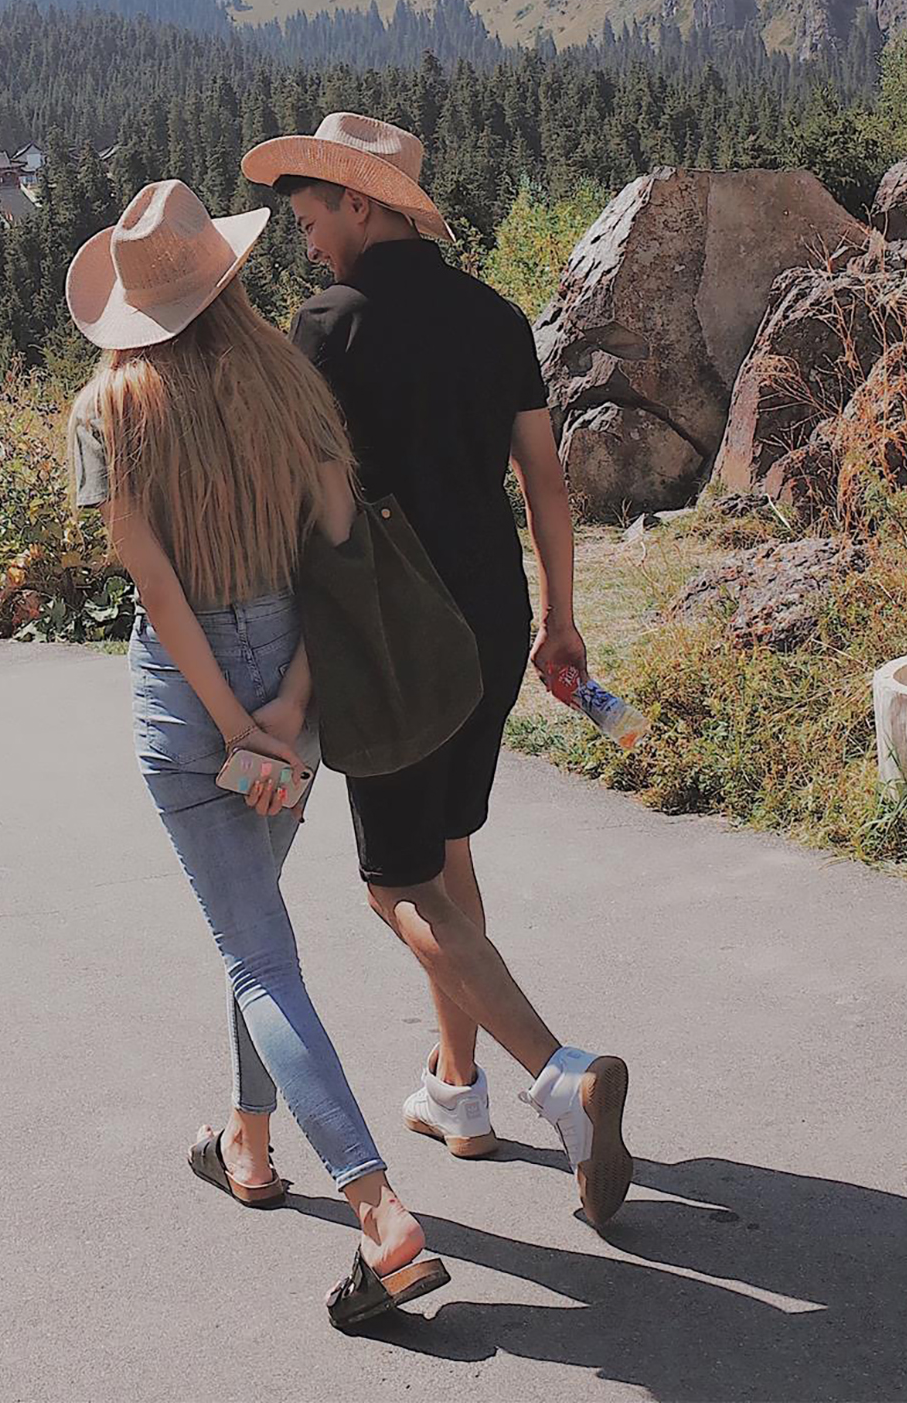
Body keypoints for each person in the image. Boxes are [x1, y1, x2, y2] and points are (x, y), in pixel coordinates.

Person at [66, 177, 449, 1335]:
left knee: (257, 956)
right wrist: (283, 706)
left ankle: (380, 1215)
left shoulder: (106, 408)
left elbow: (149, 574)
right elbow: (340, 553)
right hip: (297, 681)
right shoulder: (292, 379)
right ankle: (248, 1140)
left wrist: (225, 718)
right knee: (259, 932)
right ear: (225, 275)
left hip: (187, 709)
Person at [240, 111, 634, 1229]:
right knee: (446, 848)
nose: (308, 239)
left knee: (393, 882)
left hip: (394, 628)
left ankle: (562, 1078)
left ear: (361, 203)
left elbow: (298, 500)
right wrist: (564, 619)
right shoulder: (497, 316)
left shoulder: (326, 329)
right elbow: (545, 485)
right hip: (496, 614)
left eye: (314, 216)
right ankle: (456, 1094)